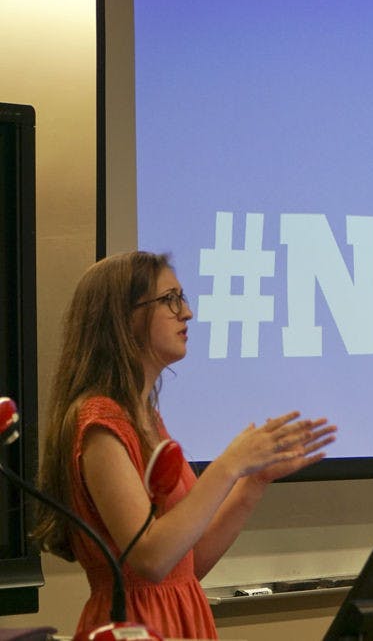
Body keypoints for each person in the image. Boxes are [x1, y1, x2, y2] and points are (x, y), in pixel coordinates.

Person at [32, 251, 336, 639]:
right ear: (124, 318)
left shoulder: (146, 416)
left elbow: (185, 564)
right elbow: (152, 558)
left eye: (183, 298)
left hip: (181, 618)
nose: (187, 313)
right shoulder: (101, 423)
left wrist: (251, 483)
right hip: (132, 628)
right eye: (170, 299)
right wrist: (227, 466)